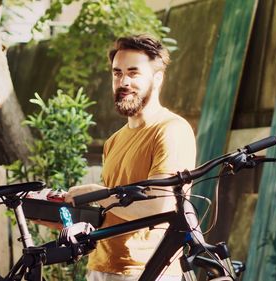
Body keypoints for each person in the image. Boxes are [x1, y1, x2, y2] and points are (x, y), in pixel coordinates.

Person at [64, 34, 197, 281]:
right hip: (102, 267)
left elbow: (159, 206)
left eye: (134, 73)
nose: (123, 81)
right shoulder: (114, 141)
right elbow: (117, 209)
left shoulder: (170, 130)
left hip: (147, 270)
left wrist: (97, 192)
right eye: (117, 73)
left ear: (157, 79)